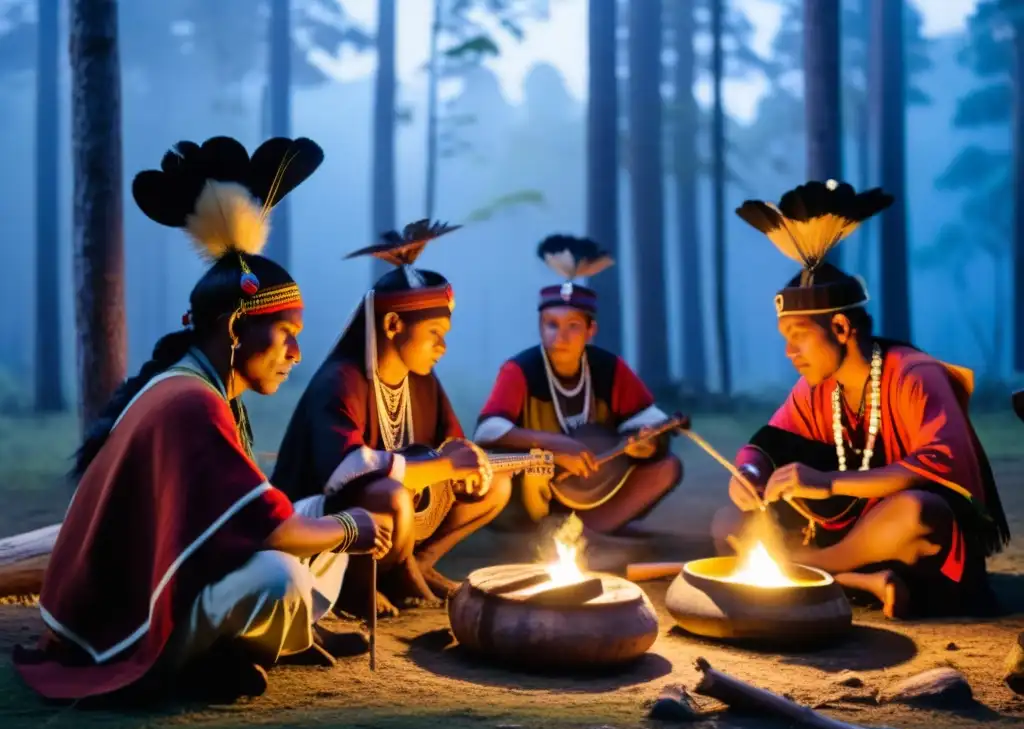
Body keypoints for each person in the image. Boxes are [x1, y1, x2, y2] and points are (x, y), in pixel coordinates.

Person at [14, 136, 394, 705]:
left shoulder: (196, 389)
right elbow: (275, 532)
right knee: (281, 577)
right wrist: (354, 529)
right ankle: (186, 665)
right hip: (122, 626)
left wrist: (338, 521)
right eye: (287, 335)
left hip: (164, 585)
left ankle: (244, 645)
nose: (295, 354)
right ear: (238, 330)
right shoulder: (191, 403)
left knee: (320, 511)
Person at [713, 179, 1011, 619]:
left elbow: (940, 466)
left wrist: (829, 483)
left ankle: (803, 570)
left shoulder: (913, 374)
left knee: (918, 513)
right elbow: (769, 442)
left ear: (839, 329)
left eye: (798, 337)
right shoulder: (816, 388)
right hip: (851, 539)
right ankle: (856, 579)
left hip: (904, 539)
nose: (789, 352)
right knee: (728, 522)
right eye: (784, 338)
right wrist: (749, 474)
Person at [272, 220, 512, 618]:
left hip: (397, 520)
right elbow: (344, 471)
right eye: (434, 331)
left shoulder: (423, 380)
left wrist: (467, 465)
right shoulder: (341, 380)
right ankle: (355, 587)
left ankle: (416, 565)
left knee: (496, 485)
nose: (443, 345)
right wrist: (443, 465)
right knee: (391, 496)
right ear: (393, 325)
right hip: (326, 521)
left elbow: (449, 449)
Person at [473, 234, 683, 535]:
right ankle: (538, 530)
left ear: (590, 330)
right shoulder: (519, 369)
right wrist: (557, 446)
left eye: (573, 326)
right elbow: (487, 432)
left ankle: (592, 533)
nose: (561, 337)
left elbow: (650, 422)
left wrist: (645, 442)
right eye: (552, 325)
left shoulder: (609, 369)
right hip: (539, 484)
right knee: (511, 473)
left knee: (666, 467)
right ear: (540, 327)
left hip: (599, 485)